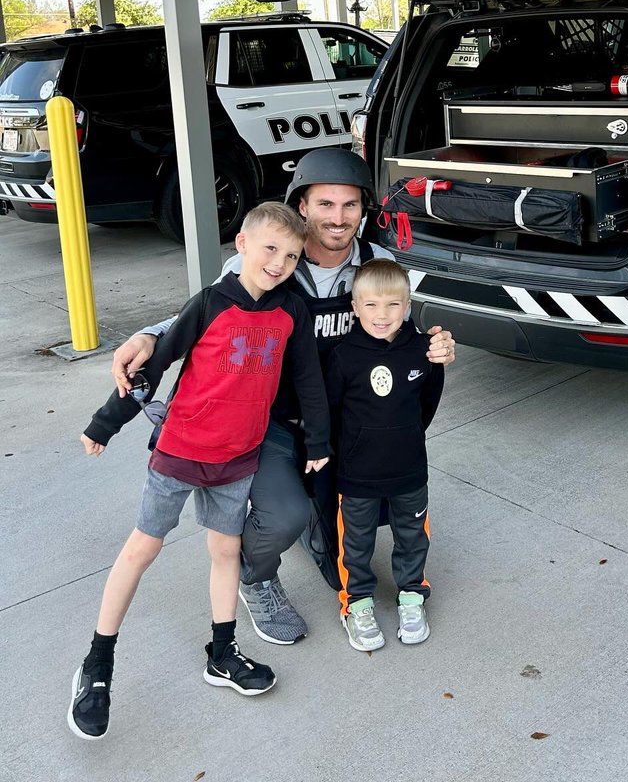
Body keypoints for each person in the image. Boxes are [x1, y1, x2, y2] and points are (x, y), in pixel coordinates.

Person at [110, 147, 455, 647]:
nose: (338, 219)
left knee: (375, 506)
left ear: (364, 210)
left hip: (341, 421)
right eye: (324, 205)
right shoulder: (272, 259)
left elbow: (399, 330)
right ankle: (256, 577)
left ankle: (324, 521)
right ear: (302, 207)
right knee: (283, 517)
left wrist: (435, 344)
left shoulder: (376, 264)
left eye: (350, 206)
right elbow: (211, 311)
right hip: (270, 419)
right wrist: (150, 334)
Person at [70, 203, 330, 740]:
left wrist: (320, 441)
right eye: (269, 249)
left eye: (291, 255)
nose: (279, 263)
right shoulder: (210, 302)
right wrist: (104, 423)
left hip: (238, 458)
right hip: (182, 450)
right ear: (241, 245)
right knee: (142, 548)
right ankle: (97, 664)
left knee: (225, 553)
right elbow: (155, 361)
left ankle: (222, 652)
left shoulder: (292, 313)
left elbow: (308, 379)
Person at [327, 259, 444, 651]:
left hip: (409, 470)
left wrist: (406, 436)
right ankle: (356, 603)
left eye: (393, 305)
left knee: (412, 537)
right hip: (357, 474)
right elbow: (333, 412)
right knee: (355, 543)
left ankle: (412, 594)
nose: (382, 315)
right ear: (356, 308)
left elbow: (428, 402)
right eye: (372, 305)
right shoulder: (343, 357)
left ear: (407, 304)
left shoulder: (422, 351)